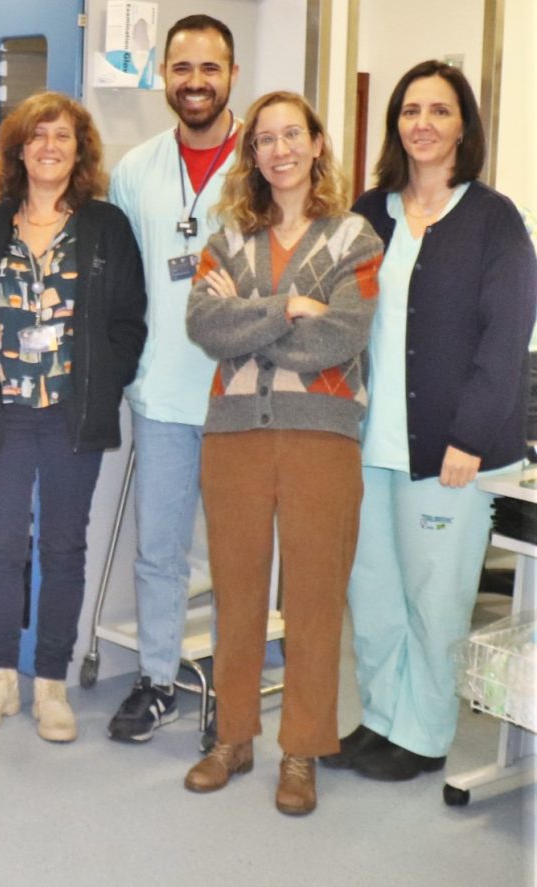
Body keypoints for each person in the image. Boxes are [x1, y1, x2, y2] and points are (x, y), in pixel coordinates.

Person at [327, 62, 537, 781]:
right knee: (374, 591)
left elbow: (505, 337)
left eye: (439, 111)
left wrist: (469, 437)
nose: (422, 123)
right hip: (368, 441)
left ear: (463, 126)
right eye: (410, 110)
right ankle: (381, 717)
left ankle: (422, 734)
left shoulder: (493, 219)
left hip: (451, 450)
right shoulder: (369, 211)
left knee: (434, 597)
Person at [182, 91, 382, 815]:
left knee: (315, 600)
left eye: (292, 134)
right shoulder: (228, 237)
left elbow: (343, 335)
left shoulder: (354, 237)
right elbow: (204, 324)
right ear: (254, 154)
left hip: (322, 436)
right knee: (236, 594)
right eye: (265, 139)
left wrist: (250, 314)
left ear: (317, 142)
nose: (280, 150)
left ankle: (302, 749)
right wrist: (291, 306)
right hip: (234, 434)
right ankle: (232, 737)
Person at [0, 92, 147, 740]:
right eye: (37, 135)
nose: (49, 146)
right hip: (4, 414)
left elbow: (128, 322)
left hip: (69, 417)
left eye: (62, 136)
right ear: (19, 150)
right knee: (1, 544)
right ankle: (0, 676)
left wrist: (101, 386)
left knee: (63, 547)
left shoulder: (105, 228)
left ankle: (50, 681)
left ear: (80, 151)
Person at [106, 14, 243, 743]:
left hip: (242, 394)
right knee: (159, 551)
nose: (195, 82)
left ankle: (233, 689)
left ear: (233, 75)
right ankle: (157, 679)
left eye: (209, 68)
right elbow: (122, 283)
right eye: (182, 67)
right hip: (161, 394)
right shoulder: (136, 169)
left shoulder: (263, 160)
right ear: (163, 74)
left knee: (237, 554)